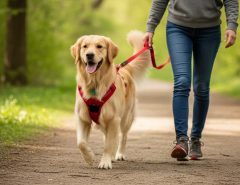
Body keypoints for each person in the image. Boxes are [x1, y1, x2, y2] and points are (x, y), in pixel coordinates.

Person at [144, 0, 239, 160]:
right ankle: (181, 140)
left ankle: (196, 139)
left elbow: (230, 1)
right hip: (178, 28)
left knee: (202, 86)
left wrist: (232, 26)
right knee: (181, 82)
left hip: (210, 30)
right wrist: (150, 27)